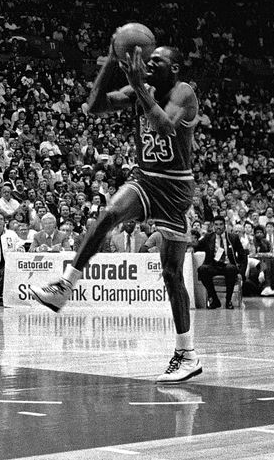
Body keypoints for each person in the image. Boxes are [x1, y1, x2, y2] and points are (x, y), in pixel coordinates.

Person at [29, 44, 202, 384]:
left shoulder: (184, 92)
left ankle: (186, 353)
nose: (149, 65)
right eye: (147, 61)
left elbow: (166, 126)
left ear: (175, 69)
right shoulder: (142, 87)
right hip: (145, 179)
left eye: (158, 62)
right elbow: (93, 107)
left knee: (170, 273)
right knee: (108, 213)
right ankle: (66, 286)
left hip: (176, 188)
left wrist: (137, 85)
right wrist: (111, 60)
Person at [195, 218, 246, 309]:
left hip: (227, 265)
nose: (219, 227)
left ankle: (228, 300)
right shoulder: (208, 237)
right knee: (202, 269)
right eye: (216, 225)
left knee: (231, 268)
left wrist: (242, 271)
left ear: (225, 225)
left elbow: (243, 254)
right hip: (213, 265)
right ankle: (215, 300)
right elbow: (196, 246)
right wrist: (189, 246)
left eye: (221, 224)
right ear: (213, 226)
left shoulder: (233, 237)